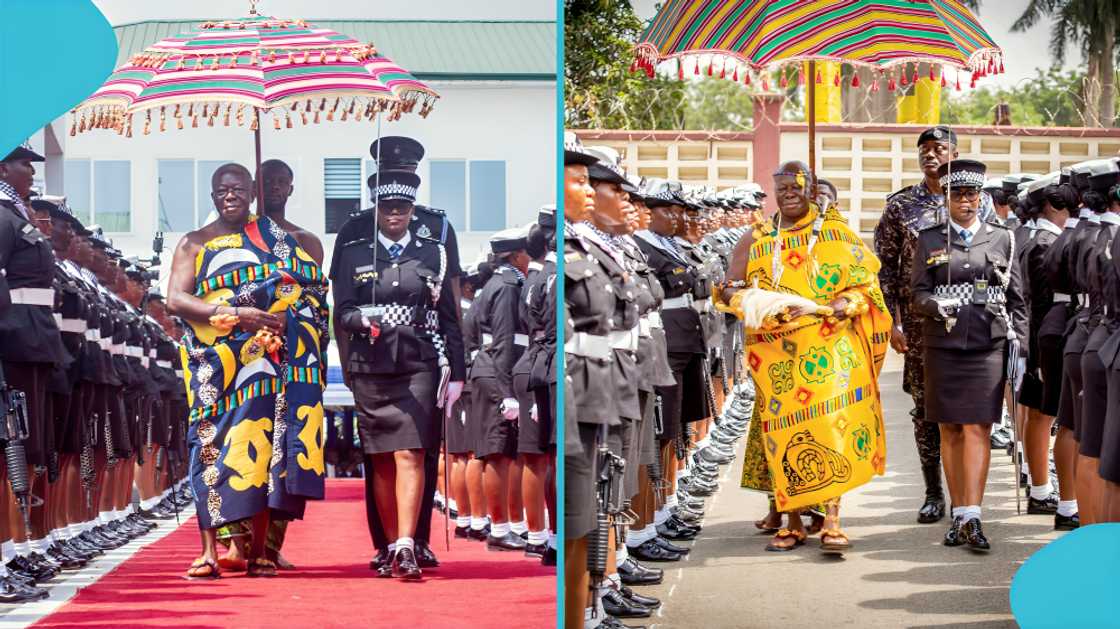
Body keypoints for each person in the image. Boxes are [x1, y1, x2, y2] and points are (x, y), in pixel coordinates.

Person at [721, 160, 892, 554]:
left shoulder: (838, 234)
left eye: (797, 188)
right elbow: (729, 287)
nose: (789, 195)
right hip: (776, 356)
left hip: (831, 350)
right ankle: (793, 521)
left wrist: (831, 307)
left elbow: (867, 290)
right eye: (782, 189)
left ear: (813, 189)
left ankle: (832, 518)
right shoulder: (757, 237)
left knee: (834, 429)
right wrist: (756, 302)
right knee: (784, 436)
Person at [167, 163, 329, 579]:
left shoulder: (281, 241)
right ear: (212, 196)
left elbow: (310, 294)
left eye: (239, 189)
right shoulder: (194, 243)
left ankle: (259, 550)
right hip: (214, 365)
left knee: (264, 453)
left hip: (267, 363)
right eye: (222, 190)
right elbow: (176, 300)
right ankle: (210, 550)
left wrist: (284, 318)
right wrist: (236, 313)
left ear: (253, 192)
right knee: (209, 448)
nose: (231, 196)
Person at [332, 136, 461, 570]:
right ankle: (386, 541)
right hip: (371, 359)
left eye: (405, 179)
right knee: (380, 457)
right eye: (390, 176)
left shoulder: (437, 231)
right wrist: (348, 358)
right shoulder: (354, 232)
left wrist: (455, 366)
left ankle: (414, 539)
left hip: (418, 358)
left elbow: (451, 302)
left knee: (420, 451)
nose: (395, 200)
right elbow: (341, 304)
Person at [874, 126, 996, 524]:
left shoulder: (982, 202)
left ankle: (968, 499)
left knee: (973, 412)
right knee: (927, 410)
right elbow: (886, 271)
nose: (930, 155)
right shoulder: (900, 207)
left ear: (955, 153)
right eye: (924, 149)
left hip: (974, 324)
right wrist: (894, 322)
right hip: (921, 325)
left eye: (939, 148)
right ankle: (933, 492)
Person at [911, 159, 1029, 552]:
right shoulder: (929, 239)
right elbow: (916, 293)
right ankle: (958, 512)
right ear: (945, 199)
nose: (966, 201)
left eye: (972, 194)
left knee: (978, 427)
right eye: (958, 194)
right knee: (950, 429)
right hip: (942, 344)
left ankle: (972, 516)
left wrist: (1022, 348)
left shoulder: (1002, 239)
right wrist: (934, 306)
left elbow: (1017, 300)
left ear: (982, 198)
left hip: (986, 343)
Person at [215, 158, 326, 572]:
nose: (275, 189)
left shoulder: (308, 242)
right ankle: (236, 542)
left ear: (292, 188)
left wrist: (291, 321)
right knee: (241, 439)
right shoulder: (233, 241)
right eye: (268, 182)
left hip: (295, 359)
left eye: (283, 182)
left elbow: (318, 303)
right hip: (245, 358)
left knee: (289, 446)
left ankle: (271, 543)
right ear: (255, 188)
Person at [1017, 175, 1078, 529]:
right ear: (1053, 205)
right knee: (1045, 415)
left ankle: (1040, 484)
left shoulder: (1038, 238)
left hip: (1039, 338)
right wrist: (1038, 356)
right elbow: (1040, 303)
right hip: (1045, 338)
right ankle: (1042, 488)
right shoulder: (1044, 242)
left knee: (1038, 413)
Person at [470, 227, 531, 552]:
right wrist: (508, 391)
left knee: (502, 453)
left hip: (490, 369)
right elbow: (506, 340)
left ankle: (504, 524)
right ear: (517, 255)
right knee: (498, 453)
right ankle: (498, 527)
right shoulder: (508, 286)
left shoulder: (497, 283)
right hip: (497, 371)